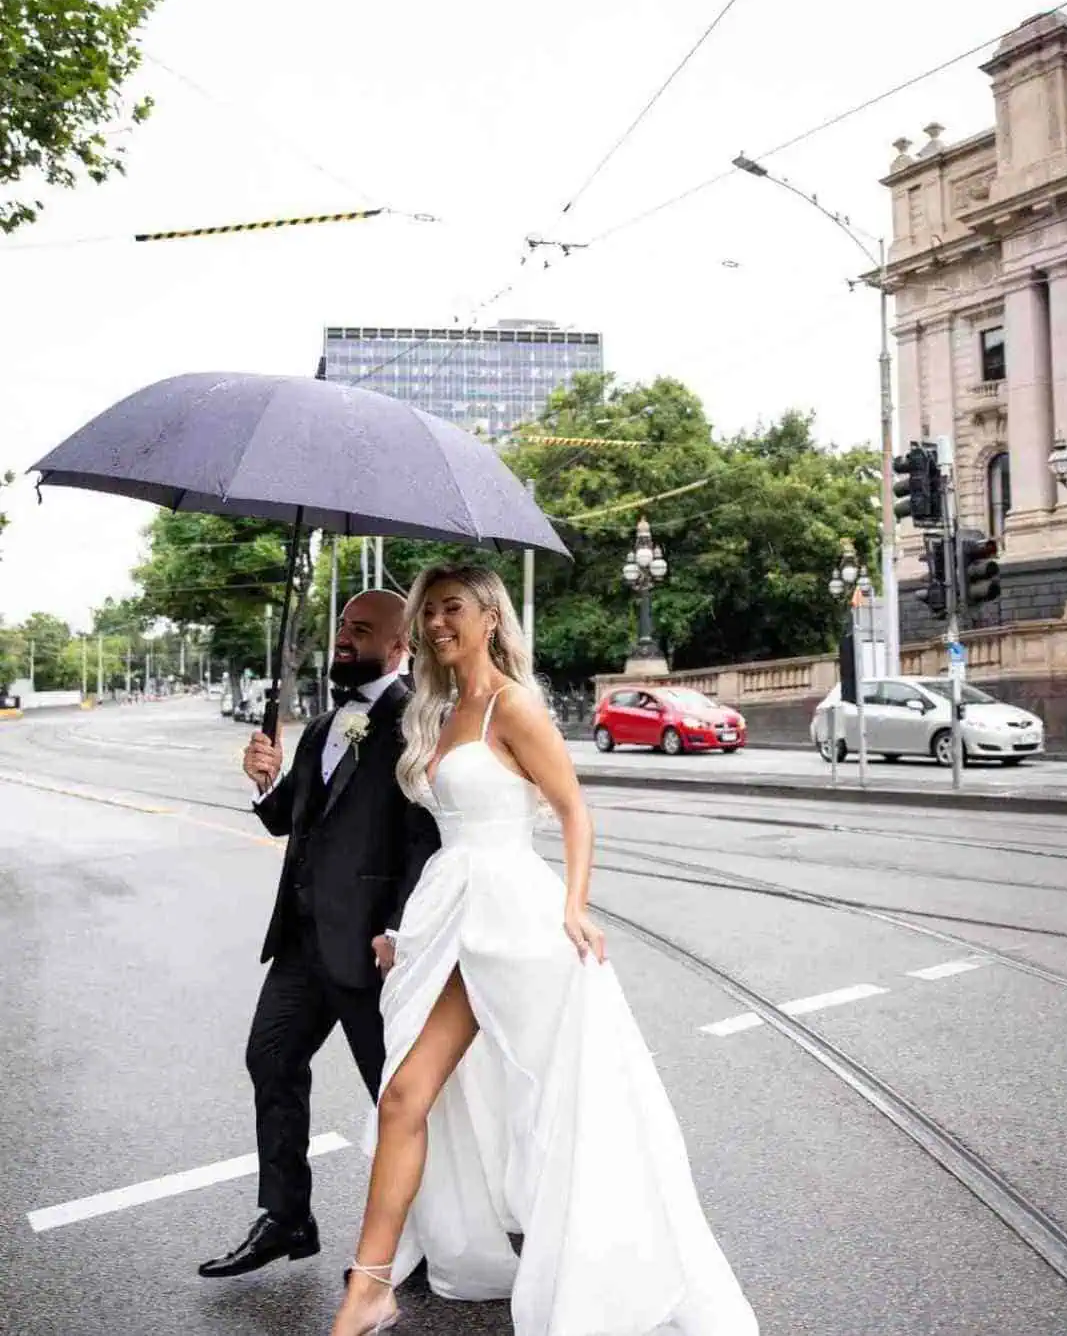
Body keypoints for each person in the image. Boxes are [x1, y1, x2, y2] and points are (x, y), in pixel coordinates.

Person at [331, 566, 757, 1336]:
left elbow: (573, 810)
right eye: (427, 613)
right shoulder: (437, 709)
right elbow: (439, 836)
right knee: (408, 1097)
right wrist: (409, 931)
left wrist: (573, 907)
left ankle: (587, 1266)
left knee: (554, 1105)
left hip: (511, 921)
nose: (435, 625)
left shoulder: (511, 705)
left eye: (451, 610)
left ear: (490, 617)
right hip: (448, 916)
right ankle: (370, 1287)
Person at [199, 590, 439, 1280]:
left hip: (371, 950)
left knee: (393, 1097)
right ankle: (287, 1217)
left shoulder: (415, 722)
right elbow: (288, 822)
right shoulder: (324, 725)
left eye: (360, 630)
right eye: (342, 626)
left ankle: (421, 1240)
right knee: (270, 1059)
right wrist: (263, 782)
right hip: (304, 944)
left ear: (399, 647)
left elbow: (424, 838)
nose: (343, 637)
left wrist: (398, 927)